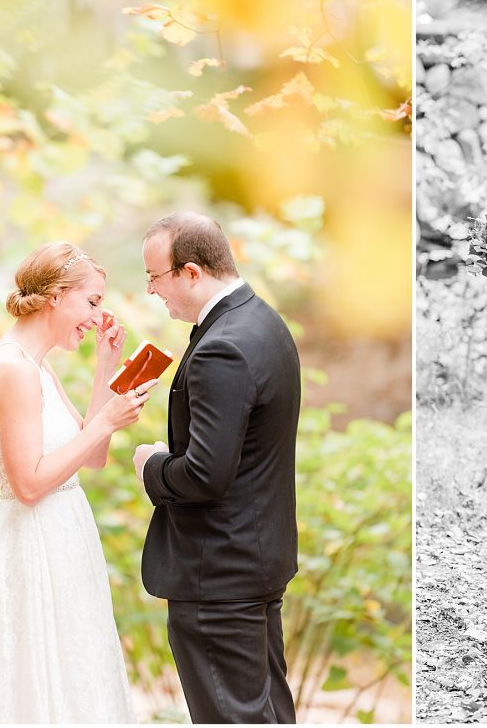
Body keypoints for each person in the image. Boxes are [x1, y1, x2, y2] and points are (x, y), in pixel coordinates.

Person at [0, 242, 157, 722]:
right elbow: (27, 485)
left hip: (67, 538)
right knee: (40, 681)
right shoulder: (10, 370)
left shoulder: (37, 366)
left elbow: (94, 457)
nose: (98, 315)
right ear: (56, 296)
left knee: (78, 675)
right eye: (92, 302)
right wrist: (107, 421)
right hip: (34, 543)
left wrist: (106, 368)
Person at [132, 212, 301, 723]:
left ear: (190, 272)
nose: (151, 292)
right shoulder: (263, 321)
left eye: (154, 278)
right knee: (266, 713)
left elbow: (206, 475)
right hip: (255, 560)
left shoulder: (222, 347)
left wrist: (153, 466)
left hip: (218, 574)